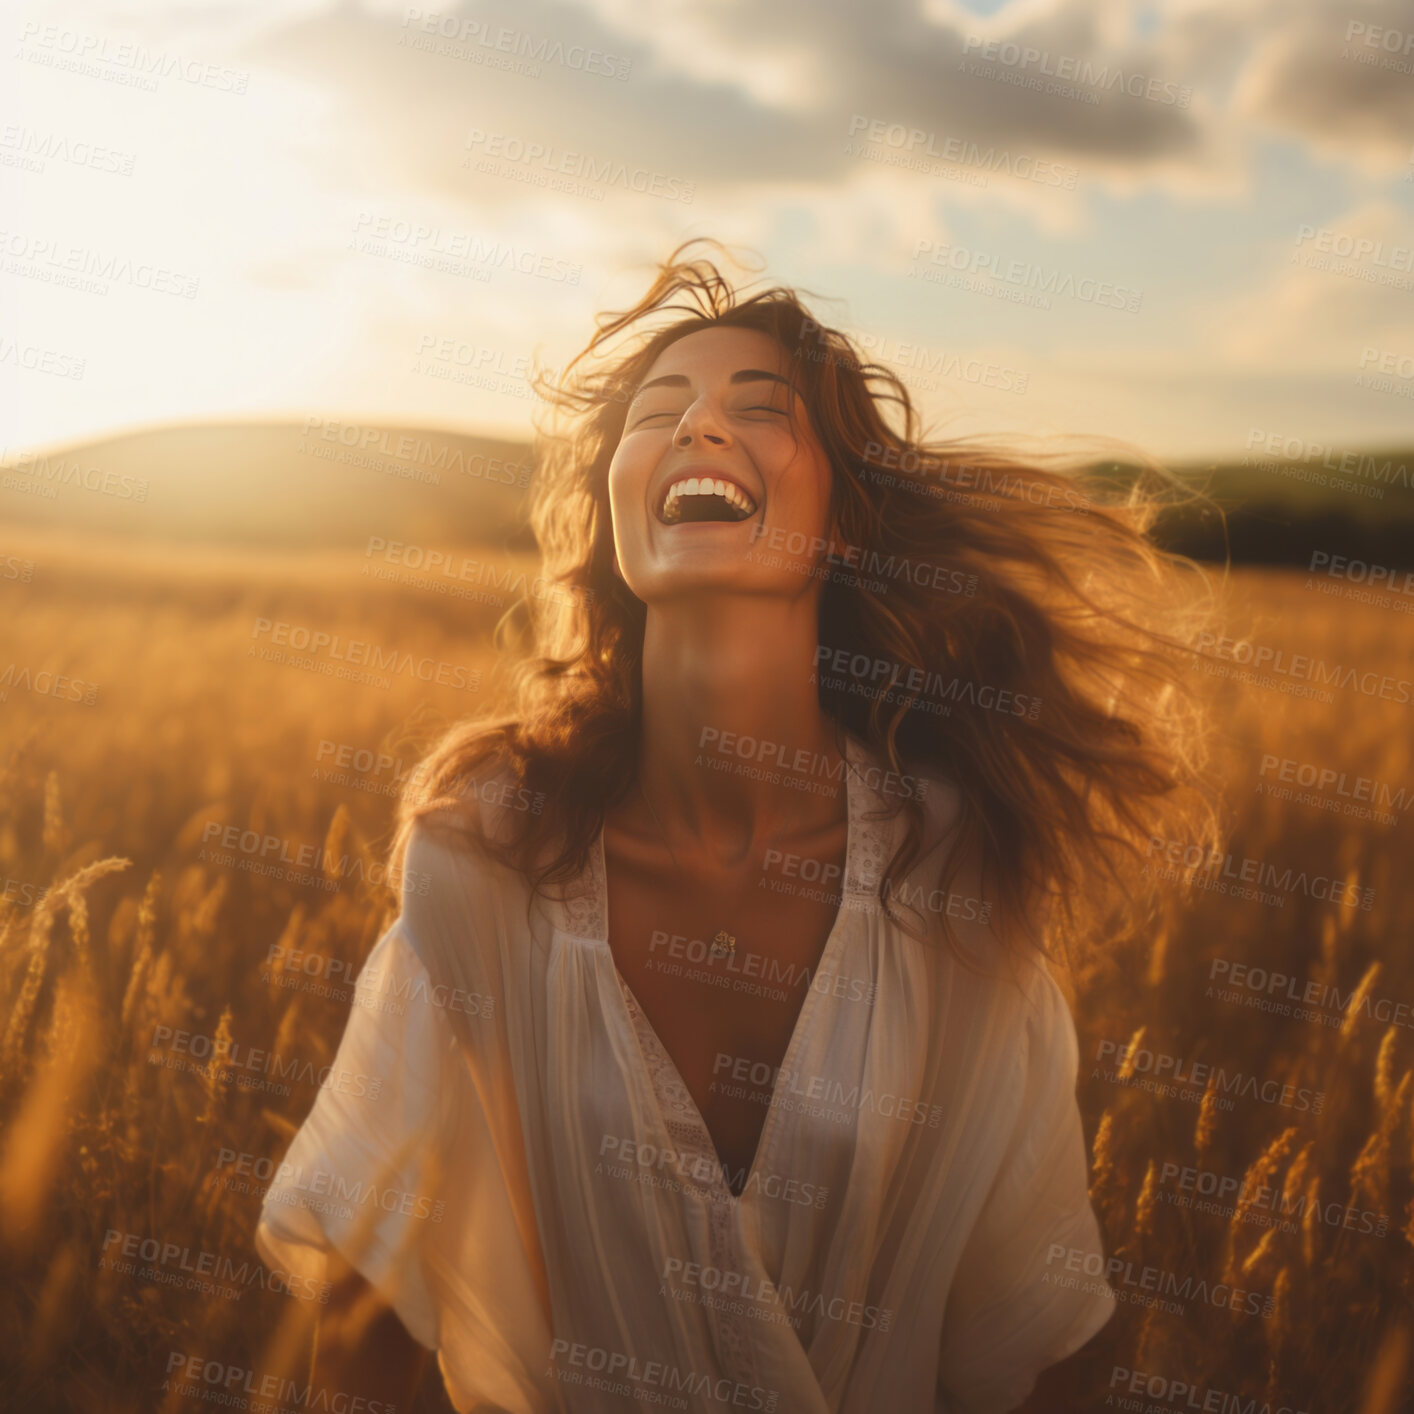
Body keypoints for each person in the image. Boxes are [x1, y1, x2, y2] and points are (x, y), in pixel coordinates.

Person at [255, 239, 1218, 1412]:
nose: (697, 426)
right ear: (615, 501)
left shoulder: (954, 878)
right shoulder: (488, 862)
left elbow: (1037, 1344)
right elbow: (369, 1307)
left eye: (757, 409)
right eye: (658, 410)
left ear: (845, 519)